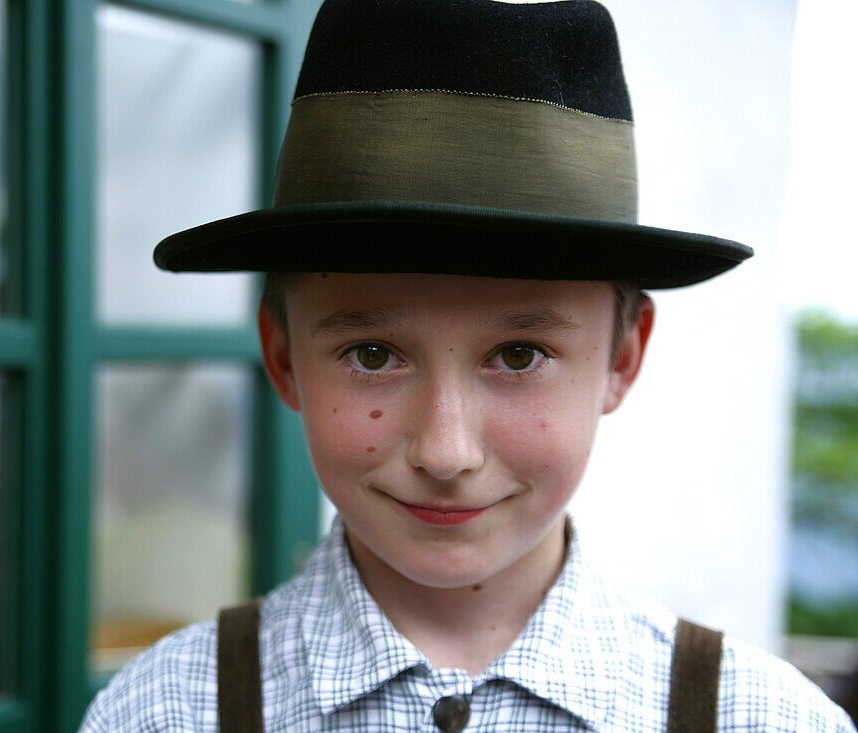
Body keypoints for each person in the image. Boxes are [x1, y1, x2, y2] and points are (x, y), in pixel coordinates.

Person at [81, 0, 856, 730]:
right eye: (373, 354)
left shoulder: (764, 717)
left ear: (623, 355)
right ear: (283, 358)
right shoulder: (162, 711)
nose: (446, 451)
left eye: (519, 354)